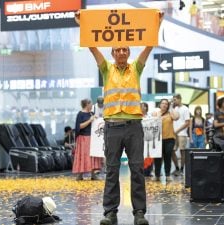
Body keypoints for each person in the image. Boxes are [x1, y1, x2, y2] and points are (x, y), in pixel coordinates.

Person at [75, 9, 164, 225]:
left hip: (134, 127)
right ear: (113, 53)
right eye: (118, 50)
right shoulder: (106, 69)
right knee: (112, 170)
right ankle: (110, 212)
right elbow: (92, 47)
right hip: (112, 127)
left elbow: (149, 46)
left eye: (125, 49)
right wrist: (82, 24)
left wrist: (157, 23)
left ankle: (140, 213)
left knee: (137, 170)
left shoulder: (137, 68)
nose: (122, 52)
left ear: (128, 52)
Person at [72, 99, 102, 181]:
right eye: (91, 103)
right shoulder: (80, 114)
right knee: (83, 155)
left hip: (92, 137)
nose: (92, 105)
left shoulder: (91, 113)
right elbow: (79, 126)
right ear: (87, 104)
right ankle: (80, 174)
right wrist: (90, 120)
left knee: (92, 155)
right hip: (83, 138)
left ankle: (93, 174)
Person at [152, 99, 179, 182]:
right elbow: (152, 123)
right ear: (160, 105)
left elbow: (176, 117)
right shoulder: (156, 113)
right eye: (163, 103)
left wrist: (171, 107)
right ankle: (157, 175)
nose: (164, 105)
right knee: (157, 158)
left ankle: (167, 175)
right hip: (158, 139)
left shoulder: (170, 113)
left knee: (168, 156)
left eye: (166, 104)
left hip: (169, 138)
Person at [171, 93, 190, 176]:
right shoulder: (174, 108)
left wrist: (178, 130)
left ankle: (182, 170)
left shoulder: (185, 109)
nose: (174, 101)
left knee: (182, 152)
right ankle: (177, 168)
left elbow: (187, 123)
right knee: (172, 151)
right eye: (173, 99)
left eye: (175, 99)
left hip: (182, 134)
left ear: (180, 99)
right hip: (174, 134)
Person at [141, 102, 153, 178]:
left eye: (144, 106)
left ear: (146, 108)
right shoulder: (137, 116)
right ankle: (142, 170)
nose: (142, 108)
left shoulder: (150, 116)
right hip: (140, 138)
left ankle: (149, 170)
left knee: (149, 155)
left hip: (149, 139)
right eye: (141, 106)